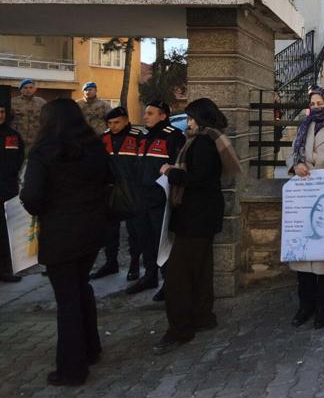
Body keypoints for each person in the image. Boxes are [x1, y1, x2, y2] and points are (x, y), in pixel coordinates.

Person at [20, 99, 111, 386]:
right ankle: (90, 348)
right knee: (81, 286)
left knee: (67, 299)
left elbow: (32, 196)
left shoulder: (43, 152)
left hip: (60, 233)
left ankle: (72, 369)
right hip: (92, 229)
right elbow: (108, 179)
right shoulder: (94, 147)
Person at [153, 98, 241, 355]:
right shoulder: (211, 138)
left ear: (200, 119)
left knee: (179, 275)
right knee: (201, 268)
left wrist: (171, 171)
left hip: (195, 216)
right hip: (203, 215)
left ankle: (179, 328)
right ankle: (203, 316)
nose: (187, 122)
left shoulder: (202, 142)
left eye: (190, 118)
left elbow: (199, 178)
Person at [286, 86, 324, 329]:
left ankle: (323, 307)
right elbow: (292, 152)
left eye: (320, 102)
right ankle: (305, 305)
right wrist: (296, 164)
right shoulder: (305, 126)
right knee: (303, 255)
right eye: (313, 103)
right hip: (304, 196)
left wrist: (317, 165)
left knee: (323, 257)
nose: (317, 107)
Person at [126, 101, 185, 299]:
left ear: (162, 115)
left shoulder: (173, 136)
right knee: (145, 240)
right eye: (145, 113)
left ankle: (168, 281)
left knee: (163, 243)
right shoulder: (143, 135)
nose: (145, 116)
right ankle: (149, 276)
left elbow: (178, 166)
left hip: (160, 198)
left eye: (150, 113)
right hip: (141, 197)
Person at [92, 107, 143, 281]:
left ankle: (134, 264)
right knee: (109, 230)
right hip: (109, 190)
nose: (113, 126)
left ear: (126, 120)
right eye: (110, 123)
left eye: (117, 122)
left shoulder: (138, 136)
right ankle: (110, 263)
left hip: (132, 190)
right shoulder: (103, 138)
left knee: (134, 230)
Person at [0, 99, 24, 282]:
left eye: (2, 112)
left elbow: (19, 158)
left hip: (7, 189)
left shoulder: (13, 135)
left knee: (6, 232)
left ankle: (6, 269)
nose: (0, 115)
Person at [11, 78, 46, 150]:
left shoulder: (41, 102)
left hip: (36, 140)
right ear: (21, 89)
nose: (28, 90)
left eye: (31, 87)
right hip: (17, 139)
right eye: (25, 88)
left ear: (35, 89)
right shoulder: (13, 102)